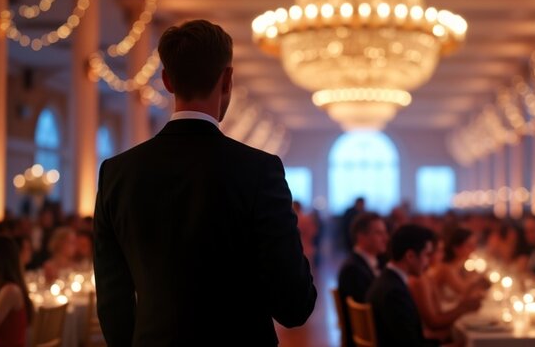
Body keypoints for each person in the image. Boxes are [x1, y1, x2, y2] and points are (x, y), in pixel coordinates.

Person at [94, 20, 316, 346]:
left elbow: (113, 302)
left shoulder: (116, 173)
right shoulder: (259, 171)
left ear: (167, 80)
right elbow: (294, 306)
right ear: (227, 79)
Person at [366, 225, 439, 347]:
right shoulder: (394, 292)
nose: (428, 262)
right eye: (427, 255)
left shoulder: (388, 280)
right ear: (410, 256)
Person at [337, 213, 388, 347]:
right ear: (361, 237)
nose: (385, 238)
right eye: (379, 233)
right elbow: (371, 315)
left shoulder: (368, 263)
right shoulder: (353, 270)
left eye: (385, 232)